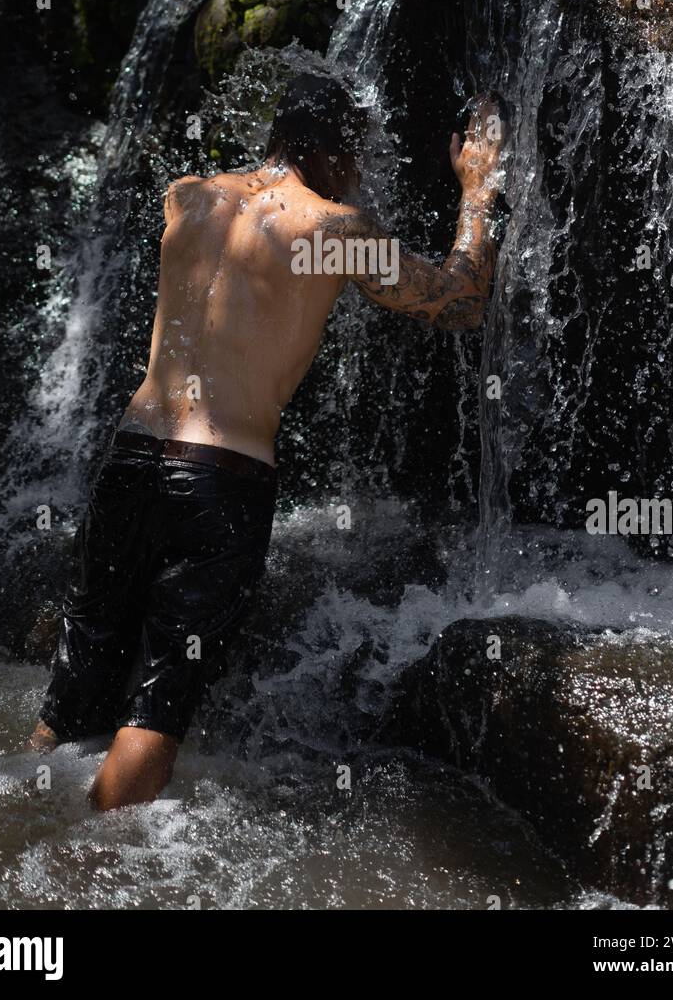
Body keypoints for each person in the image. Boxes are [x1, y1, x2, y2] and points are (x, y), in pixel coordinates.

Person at [29, 73, 504, 809]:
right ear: (341, 151)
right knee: (160, 702)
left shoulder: (187, 196)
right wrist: (476, 191)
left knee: (74, 685)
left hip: (131, 459)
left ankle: (15, 825)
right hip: (219, 478)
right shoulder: (335, 230)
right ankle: (88, 871)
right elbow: (459, 299)